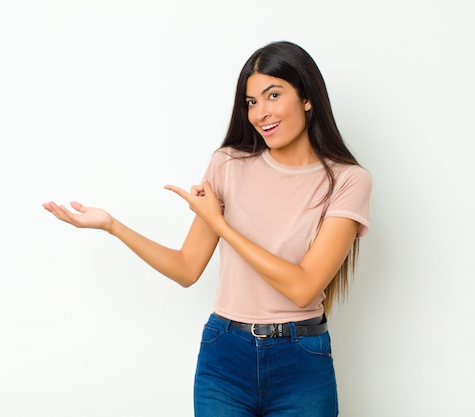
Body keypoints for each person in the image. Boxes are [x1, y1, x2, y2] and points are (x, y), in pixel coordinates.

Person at [43, 40, 371, 417]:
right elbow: (186, 267)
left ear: (307, 97)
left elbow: (303, 288)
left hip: (300, 361)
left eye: (273, 95)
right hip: (225, 356)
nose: (261, 113)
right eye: (251, 102)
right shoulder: (227, 164)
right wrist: (113, 226)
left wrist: (220, 224)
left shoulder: (347, 181)